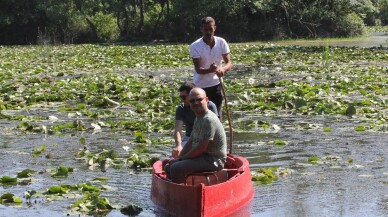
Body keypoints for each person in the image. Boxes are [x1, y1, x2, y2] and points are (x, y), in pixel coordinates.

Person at [165, 88, 227, 184]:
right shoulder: (198, 117)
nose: (196, 103)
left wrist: (181, 159)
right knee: (168, 166)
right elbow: (191, 141)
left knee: (176, 168)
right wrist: (179, 157)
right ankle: (176, 189)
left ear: (206, 100)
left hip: (213, 160)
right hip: (203, 157)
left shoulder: (208, 119)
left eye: (199, 100)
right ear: (189, 103)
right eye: (192, 101)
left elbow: (201, 148)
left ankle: (183, 194)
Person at [189, 16, 232, 116]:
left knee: (217, 115)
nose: (208, 32)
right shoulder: (195, 46)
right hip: (201, 86)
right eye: (205, 30)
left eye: (210, 29)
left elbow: (229, 63)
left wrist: (223, 69)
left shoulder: (221, 42)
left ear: (214, 28)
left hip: (217, 84)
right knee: (202, 115)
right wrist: (211, 69)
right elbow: (198, 70)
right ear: (201, 30)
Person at [172, 81, 218, 158]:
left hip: (208, 137)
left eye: (183, 97)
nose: (181, 100)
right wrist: (178, 145)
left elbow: (215, 128)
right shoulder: (181, 108)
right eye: (181, 97)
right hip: (190, 137)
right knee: (175, 157)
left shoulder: (209, 106)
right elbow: (178, 129)